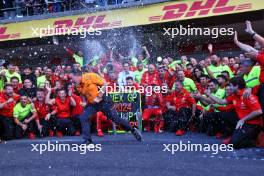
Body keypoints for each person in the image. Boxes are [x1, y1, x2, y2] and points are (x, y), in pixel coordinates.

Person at [71, 70, 142, 144]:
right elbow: (82, 94)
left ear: (78, 76)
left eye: (73, 78)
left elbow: (105, 84)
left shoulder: (90, 76)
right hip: (93, 103)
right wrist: (84, 102)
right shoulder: (77, 85)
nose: (72, 80)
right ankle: (87, 140)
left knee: (116, 119)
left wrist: (99, 96)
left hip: (104, 101)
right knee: (84, 117)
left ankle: (133, 130)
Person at [207, 77, 263, 149]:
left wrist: (243, 120)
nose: (228, 87)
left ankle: (253, 139)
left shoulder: (247, 95)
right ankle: (233, 134)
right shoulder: (234, 96)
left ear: (236, 86)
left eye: (230, 85)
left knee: (233, 144)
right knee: (222, 115)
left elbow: (258, 111)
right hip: (242, 121)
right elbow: (221, 102)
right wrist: (209, 94)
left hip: (252, 124)